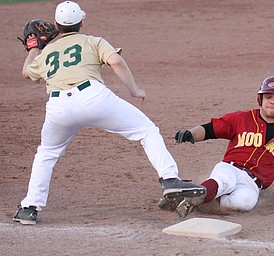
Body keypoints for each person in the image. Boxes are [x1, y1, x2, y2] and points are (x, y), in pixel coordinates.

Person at [13, 0, 205, 225]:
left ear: (56, 24)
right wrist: (134, 90)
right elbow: (115, 60)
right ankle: (170, 180)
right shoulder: (92, 41)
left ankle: (29, 208)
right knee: (146, 130)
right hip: (93, 97)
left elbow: (27, 72)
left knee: (46, 154)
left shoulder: (46, 53)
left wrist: (34, 47)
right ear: (81, 23)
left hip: (58, 107)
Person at [173, 76, 274, 217]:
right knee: (224, 180)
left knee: (245, 202)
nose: (272, 102)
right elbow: (212, 129)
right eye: (268, 97)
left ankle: (194, 194)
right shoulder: (242, 118)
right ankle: (196, 195)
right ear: (260, 99)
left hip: (252, 184)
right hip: (230, 167)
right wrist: (191, 134)